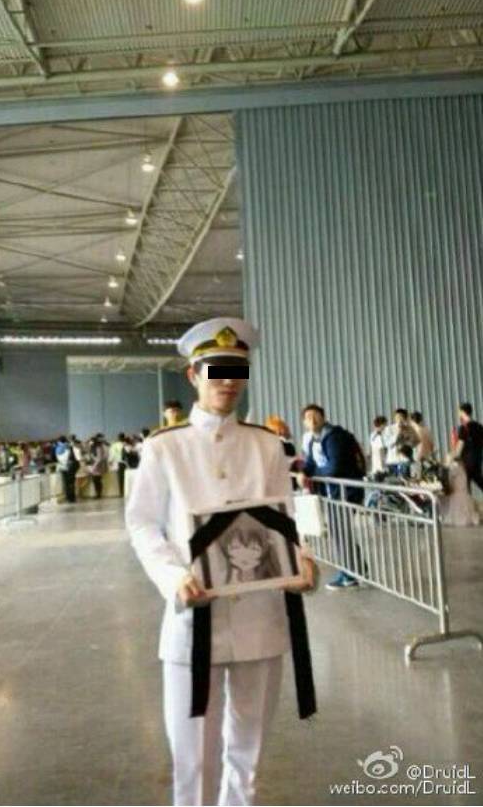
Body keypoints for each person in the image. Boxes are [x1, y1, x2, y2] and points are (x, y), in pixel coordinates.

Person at [126, 317, 317, 807]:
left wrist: (301, 561)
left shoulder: (267, 445)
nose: (228, 381)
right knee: (193, 758)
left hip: (260, 616)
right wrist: (172, 576)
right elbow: (142, 523)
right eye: (216, 370)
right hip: (193, 617)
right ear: (194, 375)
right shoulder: (164, 448)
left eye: (237, 370)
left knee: (248, 754)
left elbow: (285, 520)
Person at [299, 404, 366, 590]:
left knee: (340, 533)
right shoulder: (314, 440)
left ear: (323, 417)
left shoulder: (334, 437)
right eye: (308, 417)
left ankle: (349, 575)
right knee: (340, 532)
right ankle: (357, 569)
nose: (312, 420)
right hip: (333, 493)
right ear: (304, 423)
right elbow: (310, 463)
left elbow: (335, 467)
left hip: (346, 492)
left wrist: (314, 474)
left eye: (316, 416)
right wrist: (304, 472)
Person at [451, 402, 483, 495]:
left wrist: (453, 458)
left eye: (459, 411)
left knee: (465, 487)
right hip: (477, 460)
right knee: (479, 481)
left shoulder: (464, 428)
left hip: (466, 462)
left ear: (462, 412)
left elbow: (460, 446)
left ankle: (468, 504)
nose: (458, 414)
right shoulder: (479, 426)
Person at [383, 409, 419, 474]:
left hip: (405, 460)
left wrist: (408, 441)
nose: (399, 420)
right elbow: (387, 444)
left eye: (401, 417)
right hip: (392, 460)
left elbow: (416, 441)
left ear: (405, 418)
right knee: (393, 479)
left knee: (405, 478)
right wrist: (397, 434)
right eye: (397, 417)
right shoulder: (389, 429)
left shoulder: (410, 429)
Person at [55, 435, 77, 503]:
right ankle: (72, 497)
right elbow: (72, 457)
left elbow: (56, 457)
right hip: (71, 466)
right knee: (71, 482)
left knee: (66, 483)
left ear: (59, 441)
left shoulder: (58, 448)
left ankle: (68, 497)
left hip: (63, 467)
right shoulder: (69, 446)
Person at [108, 432, 127, 497]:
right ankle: (126, 490)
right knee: (126, 477)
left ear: (118, 438)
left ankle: (121, 492)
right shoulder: (126, 444)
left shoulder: (115, 445)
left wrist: (110, 461)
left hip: (119, 463)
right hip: (127, 463)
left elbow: (112, 454)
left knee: (120, 478)